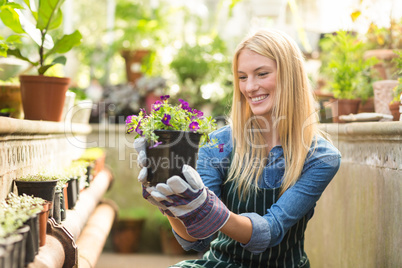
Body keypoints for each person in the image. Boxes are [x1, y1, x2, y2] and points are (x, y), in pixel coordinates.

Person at [134, 29, 341, 268]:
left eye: (261, 74)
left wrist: (206, 207)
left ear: (290, 76)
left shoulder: (320, 157)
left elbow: (270, 231)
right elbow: (198, 239)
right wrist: (171, 206)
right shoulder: (220, 145)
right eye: (242, 77)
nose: (250, 87)